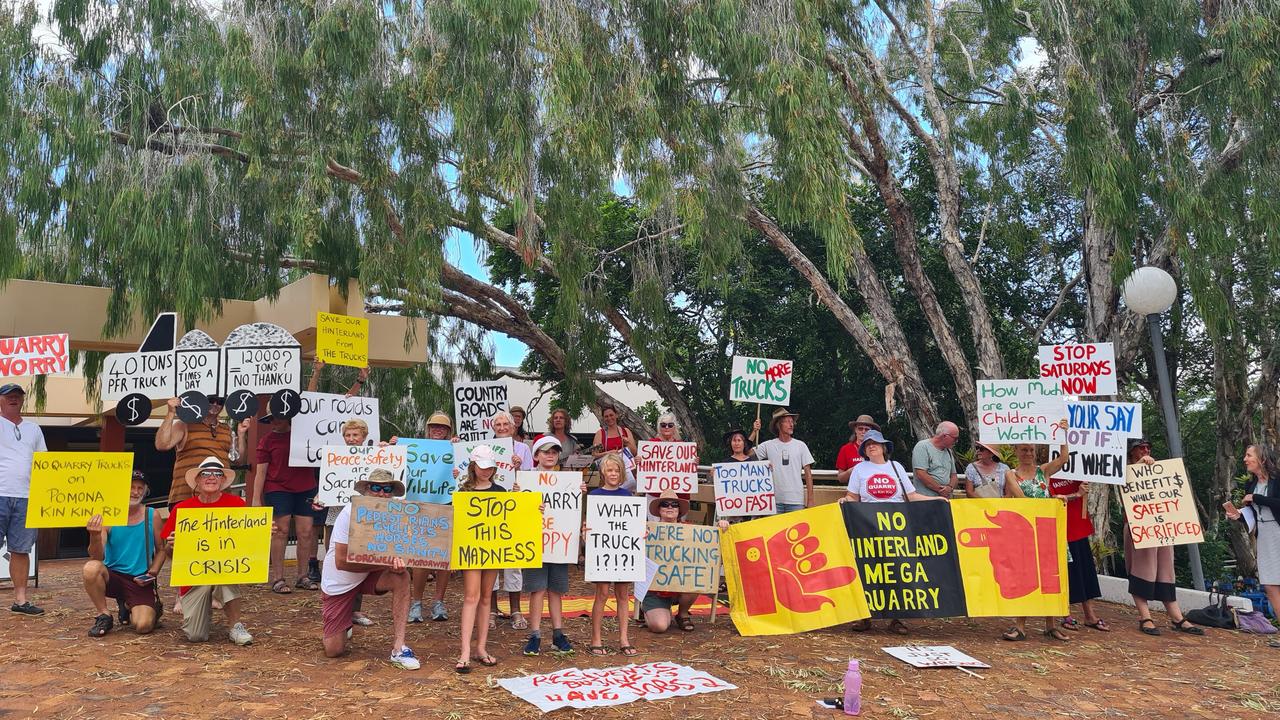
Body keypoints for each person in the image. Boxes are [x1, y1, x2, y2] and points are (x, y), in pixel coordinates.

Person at [839, 429, 946, 635]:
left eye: (876, 443)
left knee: (897, 572)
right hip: (868, 529)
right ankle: (865, 616)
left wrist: (936, 500)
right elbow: (852, 497)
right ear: (864, 450)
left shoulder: (896, 467)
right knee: (869, 571)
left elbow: (912, 496)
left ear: (884, 447)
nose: (872, 446)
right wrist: (845, 501)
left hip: (896, 529)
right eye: (868, 444)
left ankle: (897, 618)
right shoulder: (860, 470)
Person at [161, 457, 268, 645]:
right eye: (206, 474)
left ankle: (236, 626)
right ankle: (203, 609)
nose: (212, 477)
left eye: (217, 474)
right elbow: (169, 554)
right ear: (197, 480)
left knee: (226, 569)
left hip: (224, 570)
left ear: (222, 480)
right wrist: (171, 546)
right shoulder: (182, 509)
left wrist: (265, 533)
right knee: (196, 636)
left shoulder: (236, 504)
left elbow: (247, 543)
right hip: (194, 577)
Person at [320, 469, 419, 670]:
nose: (382, 493)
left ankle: (399, 646)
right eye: (376, 488)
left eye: (387, 489)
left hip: (369, 573)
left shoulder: (396, 513)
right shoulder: (348, 513)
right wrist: (386, 563)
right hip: (341, 581)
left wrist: (401, 562)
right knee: (334, 650)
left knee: (402, 577)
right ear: (366, 490)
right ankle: (345, 621)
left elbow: (410, 546)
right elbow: (341, 561)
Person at [1121, 437, 1203, 636]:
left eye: (1147, 448)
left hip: (1162, 529)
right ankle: (1145, 616)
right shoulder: (1123, 471)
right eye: (1141, 448)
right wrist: (1138, 468)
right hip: (1138, 528)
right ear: (1132, 452)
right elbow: (1123, 485)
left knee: (1166, 571)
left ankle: (1176, 616)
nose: (1145, 451)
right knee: (1142, 571)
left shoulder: (1160, 471)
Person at [1001, 436, 1074, 643]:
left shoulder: (1043, 470)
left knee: (1051, 577)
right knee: (1027, 578)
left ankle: (1050, 625)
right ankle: (1020, 625)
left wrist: (1063, 434)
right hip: (1025, 532)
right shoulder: (1010, 474)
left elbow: (1064, 457)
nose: (1029, 454)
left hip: (1047, 530)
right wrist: (1052, 500)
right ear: (1016, 451)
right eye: (1024, 450)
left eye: (1031, 450)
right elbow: (1023, 501)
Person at [83, 471, 167, 637]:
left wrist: (152, 573)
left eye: (139, 488)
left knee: (143, 626)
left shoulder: (152, 514)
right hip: (112, 576)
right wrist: (94, 535)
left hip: (138, 579)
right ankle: (104, 614)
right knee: (91, 568)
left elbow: (161, 549)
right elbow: (97, 557)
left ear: (145, 491)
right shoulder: (108, 514)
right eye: (131, 487)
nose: (135, 492)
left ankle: (128, 605)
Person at [521, 435, 583, 656]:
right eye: (545, 451)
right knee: (537, 590)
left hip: (559, 543)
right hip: (535, 543)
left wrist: (579, 491)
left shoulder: (567, 481)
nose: (550, 455)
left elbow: (571, 511)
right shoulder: (525, 481)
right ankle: (535, 634)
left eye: (554, 451)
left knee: (556, 590)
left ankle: (558, 633)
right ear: (536, 455)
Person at [642, 490, 729, 634]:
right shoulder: (648, 530)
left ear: (679, 510)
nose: (670, 507)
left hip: (682, 588)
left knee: (695, 578)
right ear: (658, 510)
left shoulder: (691, 531)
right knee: (660, 626)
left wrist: (721, 527)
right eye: (665, 504)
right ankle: (649, 610)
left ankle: (683, 614)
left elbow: (709, 547)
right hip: (655, 590)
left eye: (674, 505)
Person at [252, 408, 319, 593]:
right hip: (277, 488)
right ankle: (278, 578)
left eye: (279, 416)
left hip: (306, 487)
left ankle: (302, 575)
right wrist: (256, 499)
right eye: (272, 418)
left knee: (305, 532)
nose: (275, 420)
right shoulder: (267, 441)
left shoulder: (305, 436)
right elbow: (261, 472)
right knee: (280, 531)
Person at [1049, 438, 1110, 633]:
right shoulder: (1045, 474)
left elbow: (1108, 467)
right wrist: (1076, 494)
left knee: (1086, 572)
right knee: (1065, 573)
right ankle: (1065, 613)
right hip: (1058, 531)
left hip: (1079, 529)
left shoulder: (1079, 471)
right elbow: (1051, 500)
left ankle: (1090, 615)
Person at [455, 444, 505, 673]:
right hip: (471, 551)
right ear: (473, 466)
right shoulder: (463, 492)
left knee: (486, 597)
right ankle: (465, 650)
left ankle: (481, 648)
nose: (487, 471)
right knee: (471, 596)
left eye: (490, 467)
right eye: (483, 467)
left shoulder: (501, 491)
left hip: (492, 550)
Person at [0, 383, 47, 615]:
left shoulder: (34, 429)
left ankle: (20, 600)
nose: (14, 398)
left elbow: (44, 463)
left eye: (18, 396)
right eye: (8, 395)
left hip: (26, 497)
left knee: (21, 549)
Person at [406, 411, 456, 623]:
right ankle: (416, 602)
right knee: (421, 557)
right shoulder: (413, 449)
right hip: (420, 507)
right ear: (428, 428)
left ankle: (438, 601)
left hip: (446, 505)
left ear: (448, 431)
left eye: (443, 427)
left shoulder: (454, 449)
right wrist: (391, 447)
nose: (438, 429)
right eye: (434, 426)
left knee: (443, 557)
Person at [586, 452, 638, 657]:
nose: (613, 473)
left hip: (623, 552)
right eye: (609, 470)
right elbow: (590, 524)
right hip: (603, 552)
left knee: (623, 595)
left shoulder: (627, 496)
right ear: (603, 472)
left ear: (622, 472)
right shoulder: (595, 495)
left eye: (617, 470)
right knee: (602, 593)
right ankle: (596, 638)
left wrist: (640, 532)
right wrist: (586, 531)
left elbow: (632, 525)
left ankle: (624, 638)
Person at [156, 394, 249, 508]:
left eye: (220, 402)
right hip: (186, 495)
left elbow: (239, 461)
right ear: (201, 401)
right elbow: (162, 445)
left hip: (220, 498)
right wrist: (170, 413)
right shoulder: (185, 424)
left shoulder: (227, 429)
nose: (215, 404)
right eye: (211, 400)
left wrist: (241, 433)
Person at [1227, 444, 1280, 631]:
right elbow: (1252, 512)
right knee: (1270, 583)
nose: (1245, 459)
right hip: (1264, 534)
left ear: (1262, 459)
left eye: (1249, 455)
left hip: (1278, 530)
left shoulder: (1277, 479)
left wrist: (1256, 498)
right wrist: (1238, 515)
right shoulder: (1250, 484)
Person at [491, 410, 531, 630]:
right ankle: (492, 609)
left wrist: (519, 467)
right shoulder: (486, 448)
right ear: (493, 427)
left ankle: (516, 610)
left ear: (513, 427)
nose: (502, 427)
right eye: (498, 424)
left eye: (506, 423)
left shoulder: (523, 449)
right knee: (491, 562)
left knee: (512, 561)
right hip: (491, 510)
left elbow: (531, 478)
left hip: (515, 509)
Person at [751, 408, 814, 512]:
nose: (791, 424)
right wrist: (754, 431)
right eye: (787, 421)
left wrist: (810, 500)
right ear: (778, 425)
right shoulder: (768, 445)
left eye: (792, 421)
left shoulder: (801, 445)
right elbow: (746, 455)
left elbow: (808, 474)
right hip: (773, 501)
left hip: (796, 501)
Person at [911, 422, 960, 498]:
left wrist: (950, 488)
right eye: (955, 438)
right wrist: (940, 490)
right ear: (944, 436)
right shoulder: (922, 446)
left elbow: (954, 475)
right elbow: (921, 474)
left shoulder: (949, 452)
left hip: (943, 499)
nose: (956, 441)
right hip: (925, 499)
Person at [836, 415, 879, 485]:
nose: (863, 431)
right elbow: (840, 478)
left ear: (872, 432)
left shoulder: (878, 449)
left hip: (874, 489)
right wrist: (851, 471)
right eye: (860, 429)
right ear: (855, 430)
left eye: (867, 429)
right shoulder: (845, 449)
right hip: (853, 492)